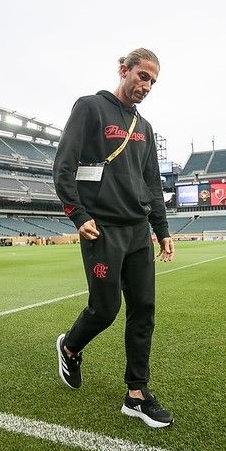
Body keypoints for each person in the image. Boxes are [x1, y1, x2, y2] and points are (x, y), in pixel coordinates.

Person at [52, 48, 175, 428]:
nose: (147, 85)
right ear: (124, 70)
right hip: (102, 228)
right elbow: (64, 165)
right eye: (142, 76)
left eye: (153, 81)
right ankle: (70, 346)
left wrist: (162, 230)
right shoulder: (90, 108)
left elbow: (152, 184)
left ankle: (137, 394)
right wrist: (77, 214)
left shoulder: (145, 127)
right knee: (105, 310)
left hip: (138, 230)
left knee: (144, 310)